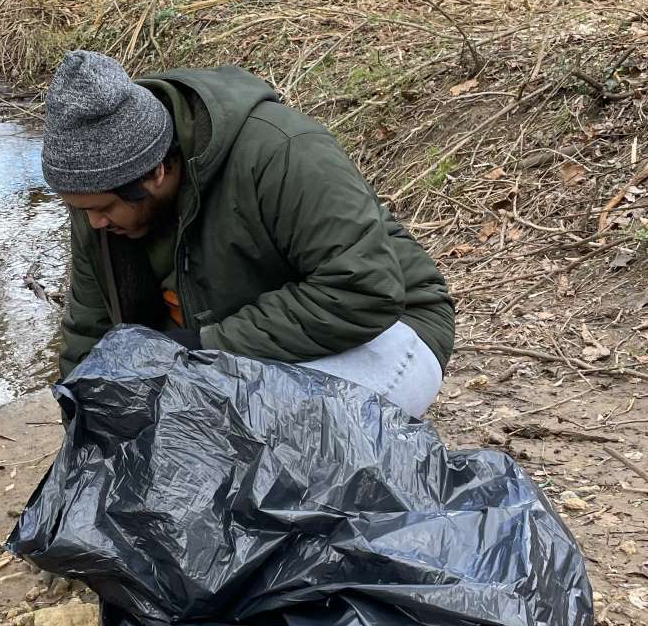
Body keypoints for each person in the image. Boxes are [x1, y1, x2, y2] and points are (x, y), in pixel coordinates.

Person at [41, 50, 455, 418]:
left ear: (155, 173)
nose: (94, 223)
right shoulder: (97, 199)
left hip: (389, 333)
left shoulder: (284, 151)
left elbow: (365, 291)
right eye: (81, 210)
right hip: (246, 353)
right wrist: (82, 414)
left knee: (262, 440)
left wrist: (202, 345)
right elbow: (89, 327)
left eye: (102, 209)